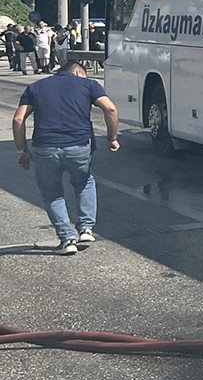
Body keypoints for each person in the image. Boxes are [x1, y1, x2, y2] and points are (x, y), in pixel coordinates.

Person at [11, 60, 121, 255]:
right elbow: (110, 108)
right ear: (79, 73)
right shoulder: (89, 85)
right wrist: (112, 138)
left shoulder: (36, 87)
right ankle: (86, 228)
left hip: (45, 147)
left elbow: (19, 119)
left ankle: (67, 239)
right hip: (78, 146)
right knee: (84, 182)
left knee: (52, 193)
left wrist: (22, 150)